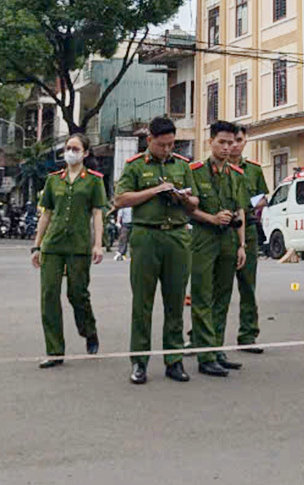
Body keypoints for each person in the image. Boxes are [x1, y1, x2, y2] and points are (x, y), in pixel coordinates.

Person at [113, 116, 199, 385]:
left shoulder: (183, 166)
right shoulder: (136, 166)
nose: (167, 149)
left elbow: (195, 203)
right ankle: (139, 362)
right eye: (162, 145)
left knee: (175, 302)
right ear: (149, 140)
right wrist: (155, 190)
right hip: (146, 236)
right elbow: (121, 198)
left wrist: (183, 198)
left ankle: (174, 361)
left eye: (171, 144)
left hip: (176, 237)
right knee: (143, 303)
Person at [30, 133, 106, 368]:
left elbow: (97, 214)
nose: (70, 152)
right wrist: (37, 244)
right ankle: (54, 351)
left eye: (75, 148)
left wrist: (98, 244)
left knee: (78, 294)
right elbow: (46, 214)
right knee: (49, 296)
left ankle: (89, 330)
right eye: (67, 148)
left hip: (79, 245)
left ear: (85, 152)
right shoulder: (53, 180)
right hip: (52, 245)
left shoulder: (94, 180)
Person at [188, 120, 248, 377]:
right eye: (221, 142)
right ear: (210, 141)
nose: (227, 147)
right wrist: (211, 218)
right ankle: (205, 355)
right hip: (204, 238)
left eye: (231, 142)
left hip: (229, 241)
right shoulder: (195, 171)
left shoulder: (235, 174)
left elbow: (240, 210)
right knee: (202, 297)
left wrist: (242, 244)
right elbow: (188, 207)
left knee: (223, 297)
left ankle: (217, 349)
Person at [230, 124, 268, 353]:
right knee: (212, 288)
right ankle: (203, 337)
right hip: (222, 230)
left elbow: (263, 196)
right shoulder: (213, 168)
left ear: (246, 141)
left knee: (247, 286)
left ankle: (247, 335)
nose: (234, 145)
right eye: (230, 140)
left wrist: (248, 205)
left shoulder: (253, 169)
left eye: (239, 140)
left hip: (249, 230)